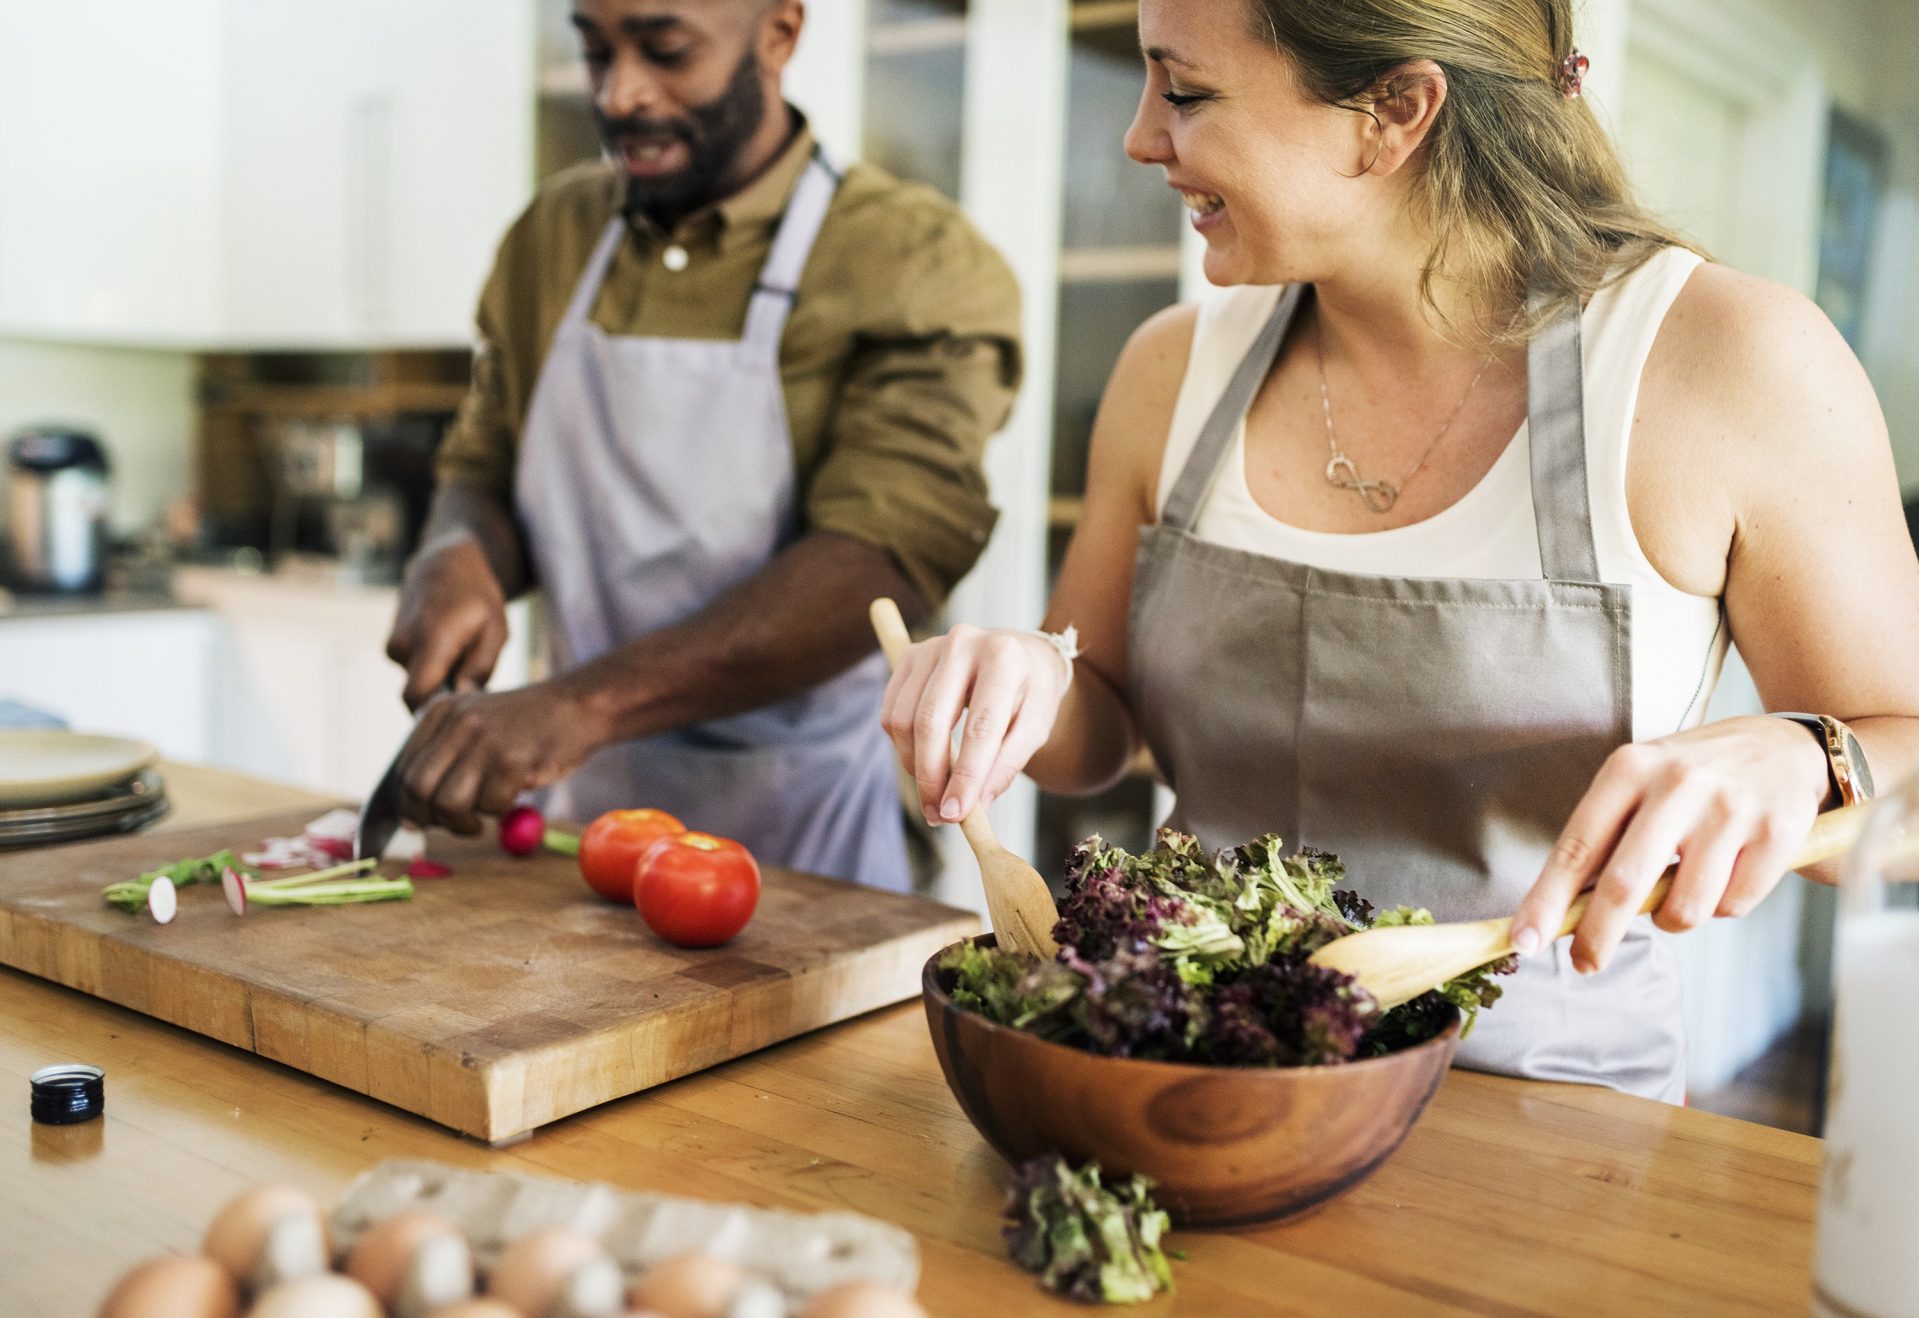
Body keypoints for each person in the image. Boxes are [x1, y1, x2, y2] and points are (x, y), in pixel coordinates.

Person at [882, 0, 1919, 1099]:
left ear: (1395, 110)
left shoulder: (1726, 360)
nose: (1140, 137)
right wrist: (1023, 682)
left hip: (1550, 1119)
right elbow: (1100, 729)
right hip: (1201, 1082)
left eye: (1183, 91)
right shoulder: (1169, 369)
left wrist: (1809, 757)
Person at [384, 0, 1020, 891]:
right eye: (595, 51)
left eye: (666, 49)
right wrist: (459, 551)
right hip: (584, 813)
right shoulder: (553, 237)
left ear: (780, 33)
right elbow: (485, 463)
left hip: (811, 831)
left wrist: (578, 706)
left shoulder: (912, 260)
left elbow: (881, 557)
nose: (621, 94)